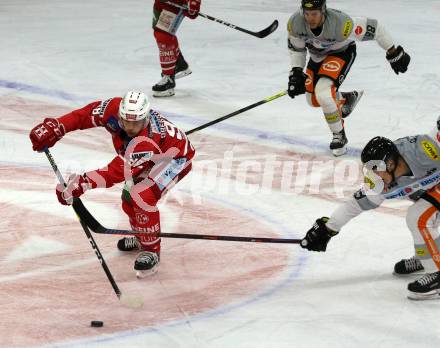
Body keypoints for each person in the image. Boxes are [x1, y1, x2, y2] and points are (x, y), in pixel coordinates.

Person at [29, 91, 195, 278]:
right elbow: (85, 115)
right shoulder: (113, 109)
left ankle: (151, 250)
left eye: (136, 122)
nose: (130, 127)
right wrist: (58, 126)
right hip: (152, 155)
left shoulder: (146, 141)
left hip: (174, 159)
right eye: (126, 121)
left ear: (146, 118)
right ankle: (142, 237)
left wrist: (81, 183)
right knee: (127, 200)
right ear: (120, 115)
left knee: (140, 196)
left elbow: (115, 172)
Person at [301, 128, 440, 300]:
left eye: (376, 169)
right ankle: (429, 257)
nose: (373, 175)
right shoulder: (380, 181)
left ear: (390, 164)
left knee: (418, 216)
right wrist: (329, 228)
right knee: (426, 216)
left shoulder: (424, 151)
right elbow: (355, 204)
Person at [287, 0, 410, 156]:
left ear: (323, 11)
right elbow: (297, 49)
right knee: (313, 100)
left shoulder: (341, 24)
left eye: (314, 14)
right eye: (307, 13)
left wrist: (393, 51)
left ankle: (339, 136)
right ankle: (345, 99)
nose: (310, 18)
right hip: (317, 58)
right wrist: (296, 72)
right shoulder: (296, 24)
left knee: (323, 94)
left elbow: (375, 27)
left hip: (341, 53)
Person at [152, 0, 201, 97]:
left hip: (177, 4)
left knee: (163, 36)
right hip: (162, 3)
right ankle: (179, 64)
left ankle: (168, 80)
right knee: (159, 32)